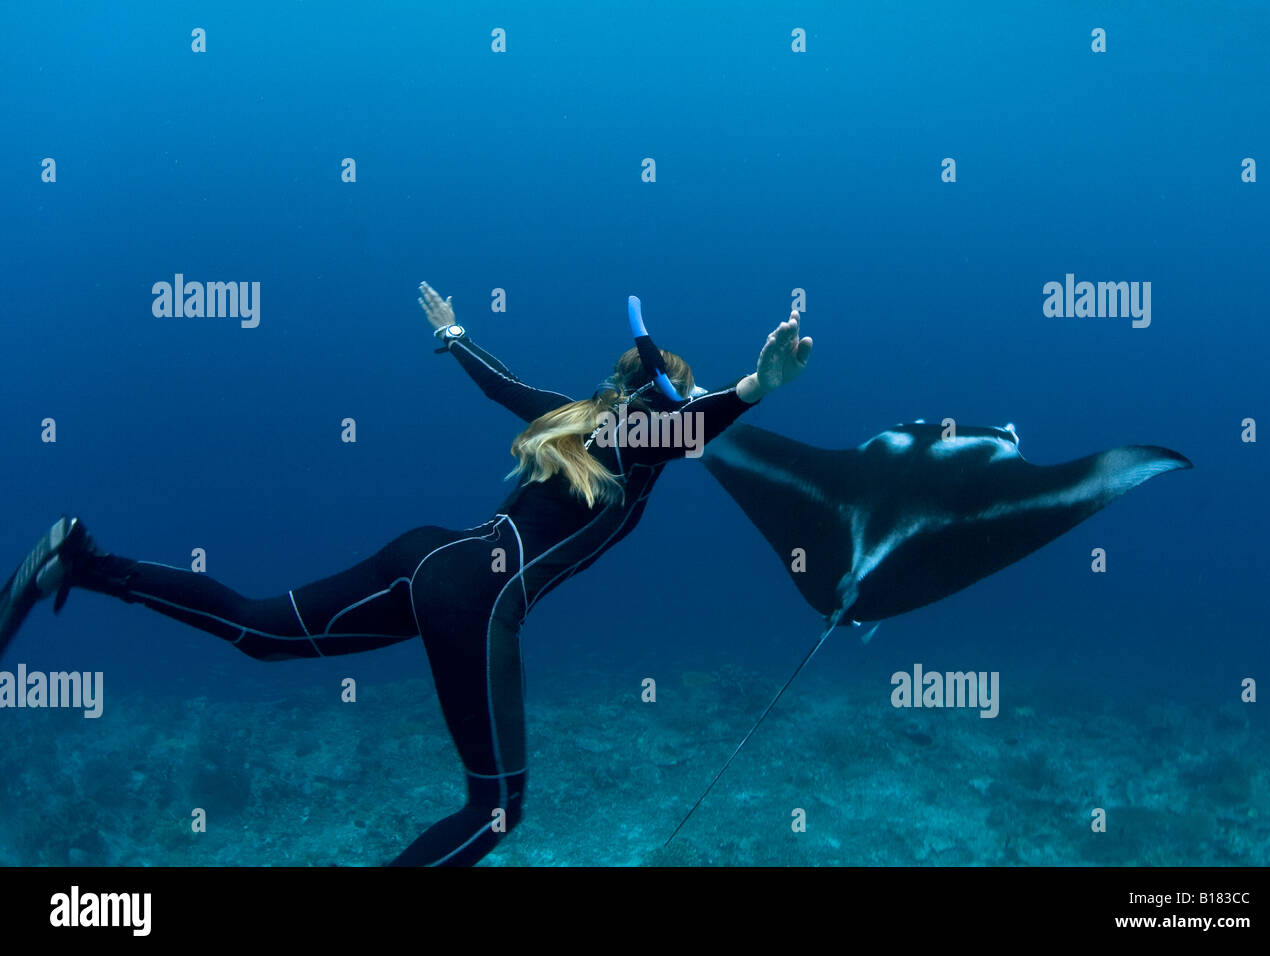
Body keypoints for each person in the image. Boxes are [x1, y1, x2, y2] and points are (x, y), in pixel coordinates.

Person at [0, 283, 813, 866]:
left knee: (259, 631)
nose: (689, 409)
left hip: (429, 555)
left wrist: (455, 334)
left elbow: (502, 384)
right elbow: (691, 425)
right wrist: (751, 389)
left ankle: (83, 560)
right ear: (661, 396)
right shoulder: (642, 438)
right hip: (476, 595)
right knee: (496, 812)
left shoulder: (575, 416)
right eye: (684, 393)